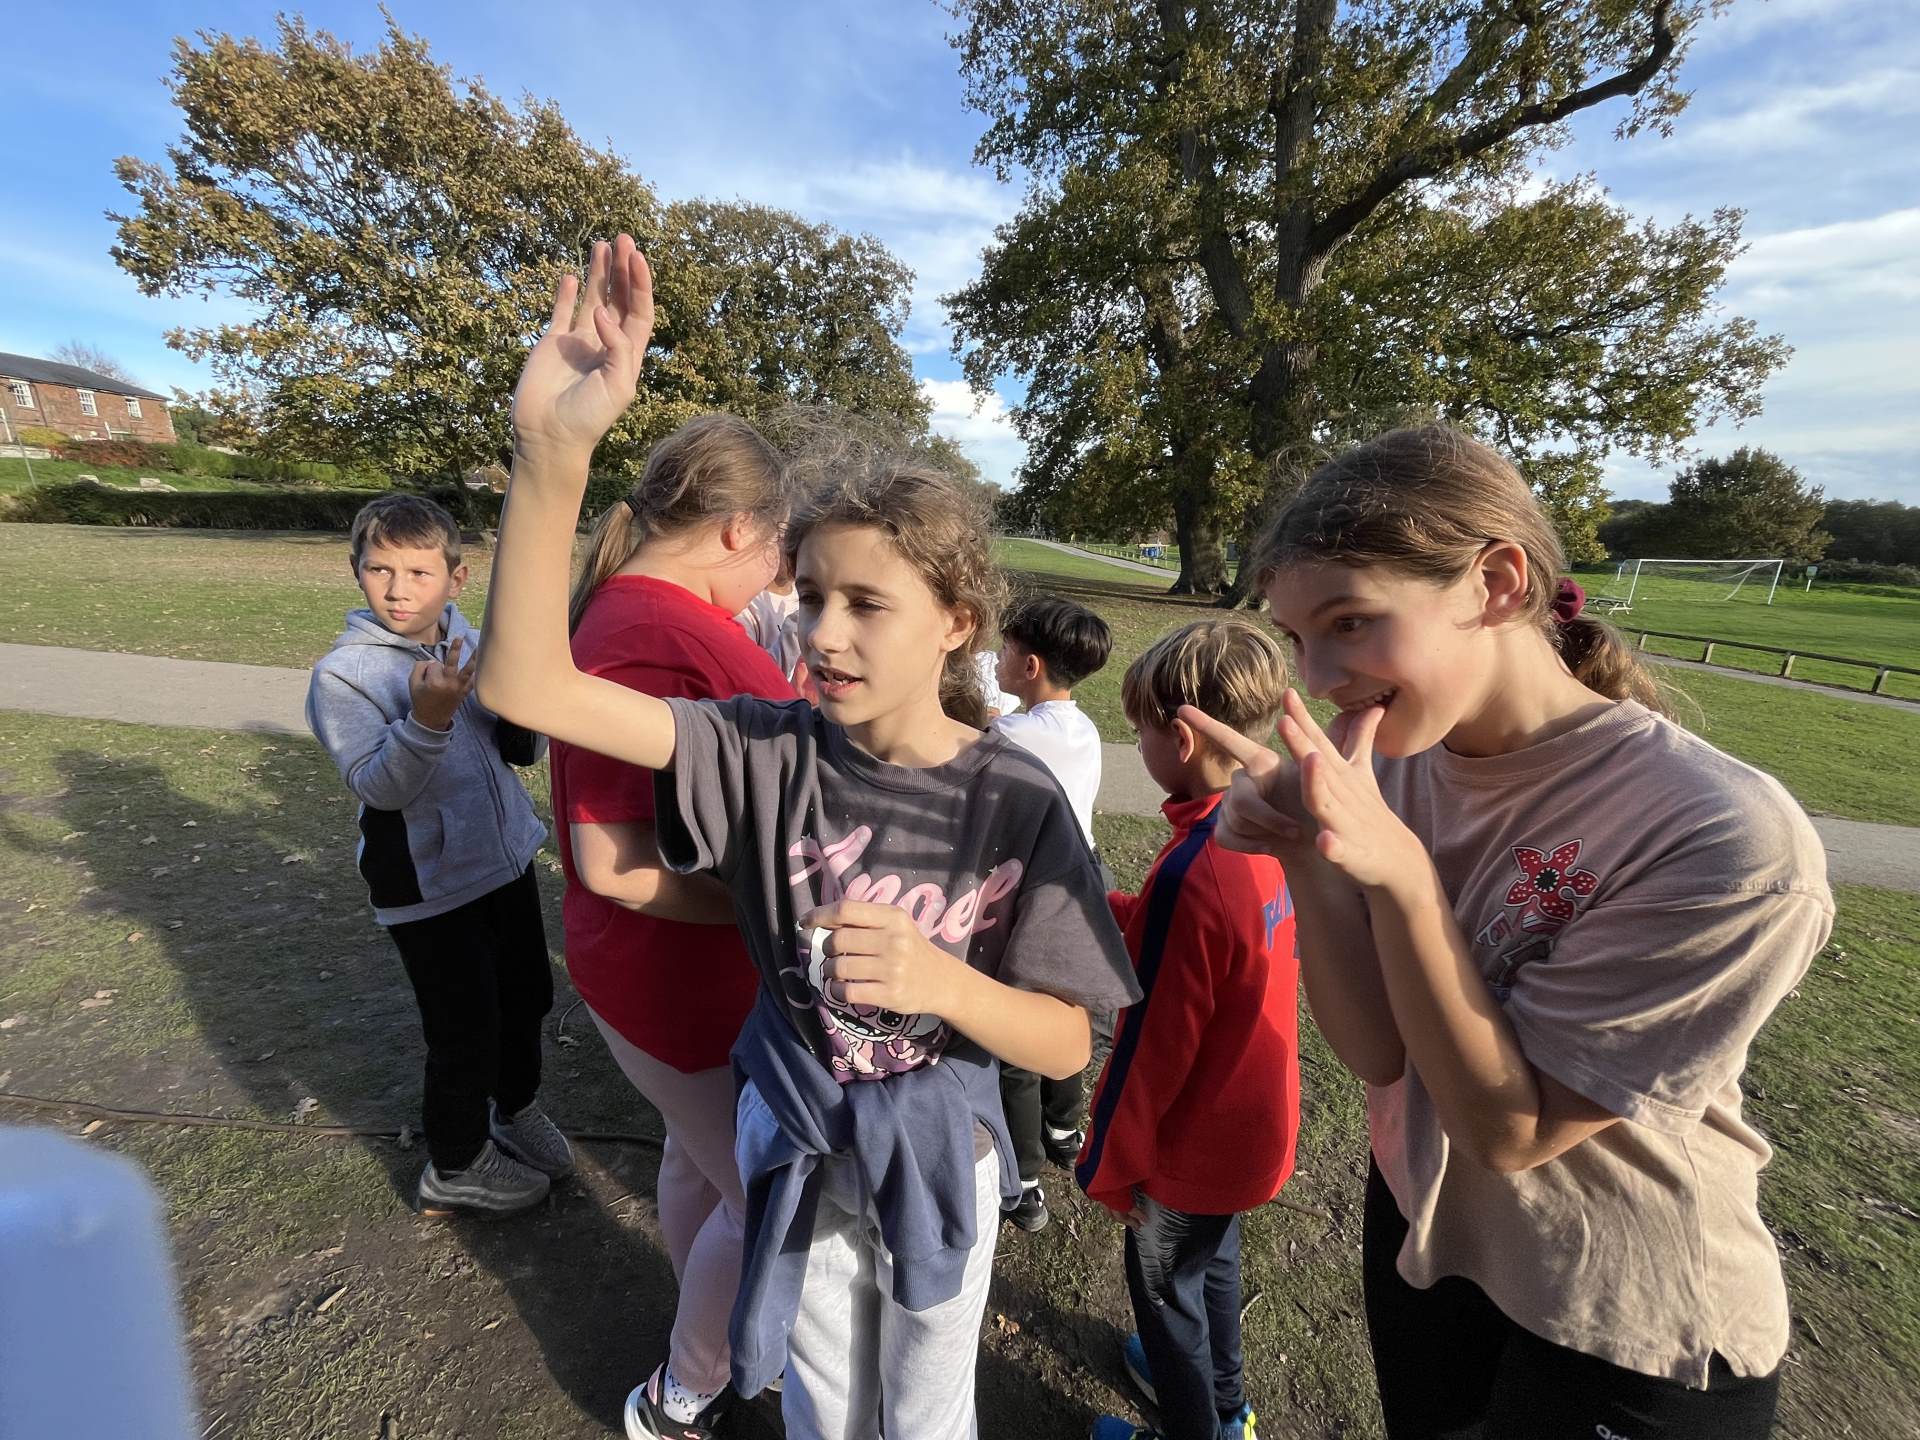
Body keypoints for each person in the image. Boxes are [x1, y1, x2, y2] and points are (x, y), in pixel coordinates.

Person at [478, 235, 1140, 1440]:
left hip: (941, 1154)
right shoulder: (762, 747)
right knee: (828, 1406)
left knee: (924, 1410)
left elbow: (1063, 1035)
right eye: (816, 594)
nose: (825, 633)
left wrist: (943, 982)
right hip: (794, 1135)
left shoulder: (1017, 797)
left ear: (957, 621)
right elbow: (527, 686)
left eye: (868, 604)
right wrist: (552, 451)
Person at [1182, 426, 1833, 1440]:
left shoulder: (1726, 836)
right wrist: (1306, 852)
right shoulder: (1393, 761)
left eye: (1350, 622)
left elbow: (1512, 1134)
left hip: (1620, 1314)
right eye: (1298, 638)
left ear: (1495, 583)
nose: (1318, 676)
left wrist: (1402, 875)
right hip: (1432, 1240)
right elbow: (1379, 1053)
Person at [551, 414, 799, 1439]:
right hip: (680, 988)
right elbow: (613, 859)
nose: (777, 573)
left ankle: (711, 1319)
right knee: (765, 1207)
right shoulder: (652, 633)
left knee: (697, 1163)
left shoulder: (644, 612)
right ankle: (681, 1394)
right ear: (741, 530)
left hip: (663, 983)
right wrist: (774, 905)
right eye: (779, 547)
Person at [305, 495, 571, 1216]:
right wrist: (428, 720)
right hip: (427, 886)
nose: (398, 590)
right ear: (355, 571)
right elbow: (378, 787)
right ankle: (454, 1165)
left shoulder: (474, 643)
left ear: (456, 578)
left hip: (505, 859)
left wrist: (524, 700)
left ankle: (513, 1110)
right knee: (464, 1030)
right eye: (380, 570)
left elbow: (520, 750)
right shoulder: (344, 676)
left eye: (419, 573)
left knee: (528, 997)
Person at [1078, 618, 1299, 1440]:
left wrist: (1108, 1163)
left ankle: (1193, 1425)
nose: (1137, 744)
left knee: (1168, 1299)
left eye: (1139, 730)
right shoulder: (1267, 828)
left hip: (1185, 1155)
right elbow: (1208, 951)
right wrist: (1115, 908)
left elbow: (1150, 1049)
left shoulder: (1193, 868)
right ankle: (1229, 1406)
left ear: (1179, 738)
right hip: (1250, 1134)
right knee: (1213, 1269)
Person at [990, 594, 1115, 1230]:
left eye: (1005, 650)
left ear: (1030, 665)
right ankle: (1064, 1128)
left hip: (1035, 894)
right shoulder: (1081, 726)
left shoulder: (1008, 736)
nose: (998, 658)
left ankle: (1024, 1178)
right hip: (1086, 879)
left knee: (1017, 1041)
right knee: (1072, 1015)